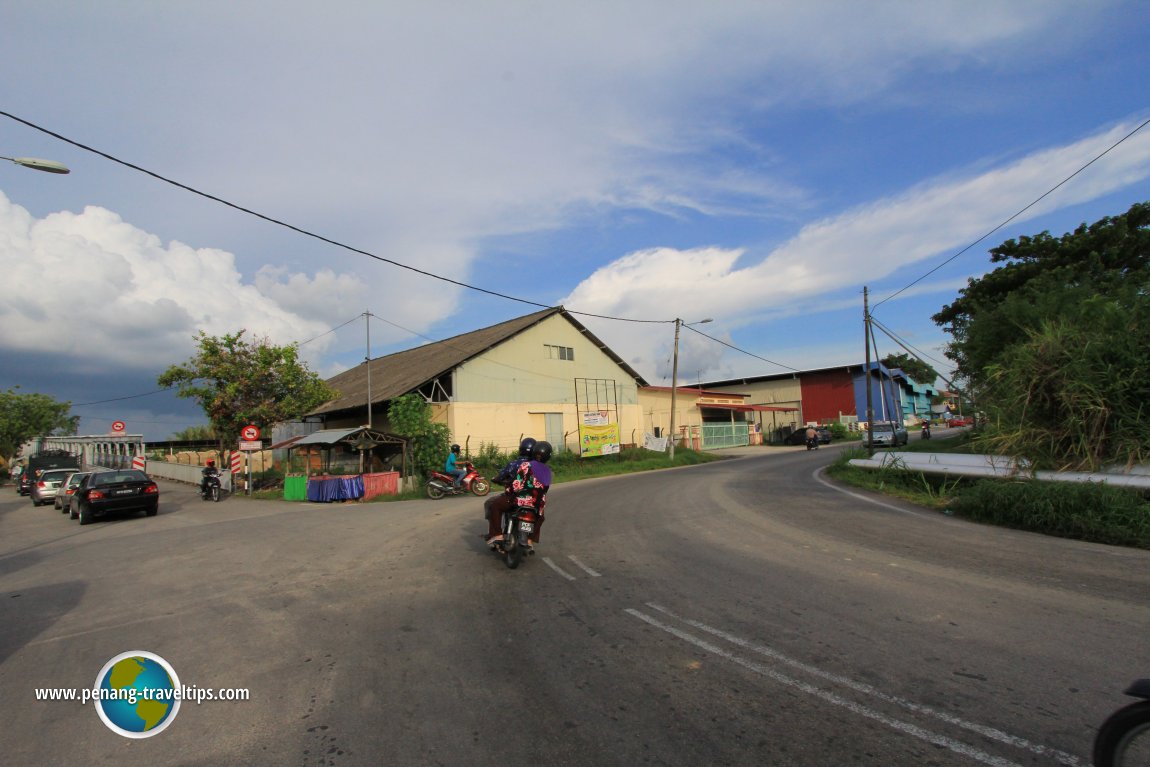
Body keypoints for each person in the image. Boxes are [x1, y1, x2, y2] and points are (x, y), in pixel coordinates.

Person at [486, 440, 553, 548]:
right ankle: (531, 540)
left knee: (496, 506)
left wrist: (510, 490)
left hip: (519, 501)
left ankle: (497, 534)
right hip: (536, 505)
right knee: (541, 517)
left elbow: (517, 485)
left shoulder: (526, 465)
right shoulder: (548, 471)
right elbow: (545, 490)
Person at [485, 437, 536, 523]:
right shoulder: (539, 466)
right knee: (540, 515)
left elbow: (501, 476)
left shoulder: (514, 464)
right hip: (533, 500)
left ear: (521, 449)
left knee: (491, 504)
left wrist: (495, 479)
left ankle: (496, 533)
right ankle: (532, 537)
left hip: (513, 498)